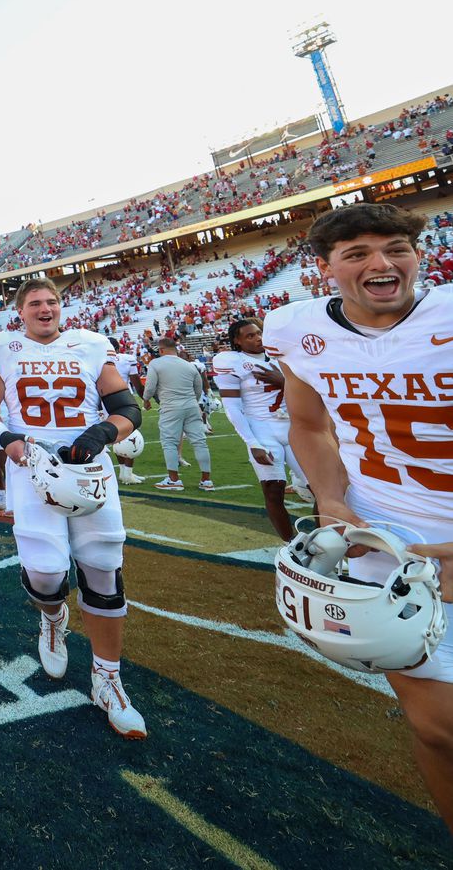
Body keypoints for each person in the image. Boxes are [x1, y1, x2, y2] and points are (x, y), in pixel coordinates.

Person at [264, 202, 453, 834]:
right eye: (358, 254)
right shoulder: (294, 328)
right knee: (438, 728)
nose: (382, 264)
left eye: (396, 248)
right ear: (326, 268)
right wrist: (331, 499)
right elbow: (310, 422)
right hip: (392, 546)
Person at [0, 277, 147, 739]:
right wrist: (5, 438)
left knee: (104, 564)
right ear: (21, 312)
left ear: (61, 308)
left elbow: (127, 407)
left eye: (52, 302)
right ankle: (53, 618)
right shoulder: (5, 349)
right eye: (35, 303)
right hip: (32, 466)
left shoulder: (90, 345)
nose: (45, 309)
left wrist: (104, 433)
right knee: (47, 572)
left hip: (88, 467)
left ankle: (108, 678)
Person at [212, 318, 305, 540]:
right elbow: (233, 408)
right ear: (237, 341)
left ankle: (322, 539)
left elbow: (308, 391)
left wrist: (283, 381)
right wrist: (252, 443)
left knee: (320, 488)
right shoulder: (232, 362)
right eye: (250, 336)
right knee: (274, 490)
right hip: (262, 429)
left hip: (294, 429)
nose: (258, 338)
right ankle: (291, 543)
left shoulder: (280, 358)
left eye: (259, 333)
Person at [143, 338, 212, 491]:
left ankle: (174, 479)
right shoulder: (189, 365)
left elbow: (150, 386)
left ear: (161, 350)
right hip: (191, 405)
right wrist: (192, 401)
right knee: (200, 441)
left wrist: (146, 400)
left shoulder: (156, 363)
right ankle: (206, 480)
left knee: (169, 442)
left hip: (170, 406)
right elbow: (198, 388)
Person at [109, 337, 145, 484]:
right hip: (122, 402)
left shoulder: (95, 360)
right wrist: (145, 398)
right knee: (130, 436)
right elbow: (136, 382)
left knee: (115, 438)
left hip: (102, 403)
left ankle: (123, 473)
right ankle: (127, 474)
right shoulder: (126, 359)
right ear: (117, 349)